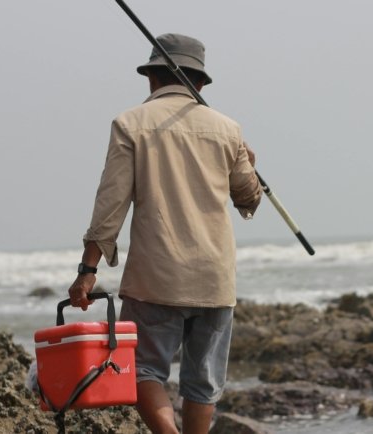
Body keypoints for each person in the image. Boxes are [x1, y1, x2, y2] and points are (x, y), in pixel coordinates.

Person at [68, 33, 262, 434]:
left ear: (152, 78)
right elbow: (248, 196)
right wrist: (249, 160)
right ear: (201, 83)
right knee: (203, 382)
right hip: (214, 277)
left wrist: (87, 270)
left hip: (155, 278)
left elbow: (110, 205)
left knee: (140, 371)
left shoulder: (130, 124)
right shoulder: (228, 129)